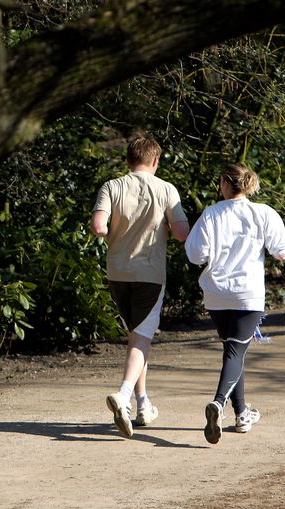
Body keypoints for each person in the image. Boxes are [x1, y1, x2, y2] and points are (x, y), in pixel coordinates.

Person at [91, 136, 189, 437]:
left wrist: (110, 231)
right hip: (149, 272)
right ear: (156, 161)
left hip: (117, 272)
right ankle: (122, 396)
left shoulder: (111, 186)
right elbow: (182, 233)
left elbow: (98, 227)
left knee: (137, 337)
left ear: (127, 160)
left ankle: (143, 403)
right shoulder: (166, 190)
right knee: (142, 340)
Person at [185, 163, 285, 444]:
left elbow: (195, 255)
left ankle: (242, 414)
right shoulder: (263, 212)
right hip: (247, 294)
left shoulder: (210, 214)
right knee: (235, 352)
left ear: (224, 183)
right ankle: (217, 404)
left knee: (234, 351)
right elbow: (280, 251)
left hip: (217, 294)